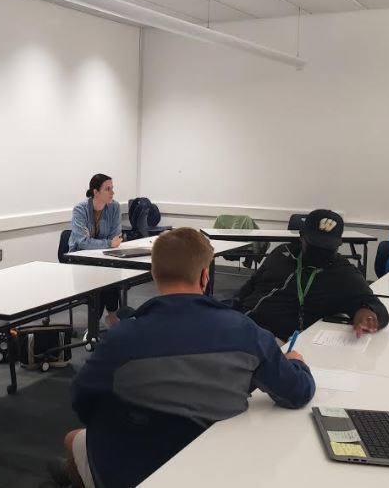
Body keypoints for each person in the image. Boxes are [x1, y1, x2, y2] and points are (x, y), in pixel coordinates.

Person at [48, 228, 315, 488]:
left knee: (74, 438)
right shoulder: (246, 332)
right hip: (215, 469)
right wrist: (296, 362)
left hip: (133, 468)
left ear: (154, 274)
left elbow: (82, 401)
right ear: (204, 276)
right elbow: (297, 393)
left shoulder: (122, 337)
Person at [236, 209, 389, 342]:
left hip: (273, 339)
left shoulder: (343, 272)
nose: (321, 251)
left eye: (328, 247)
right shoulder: (282, 253)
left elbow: (377, 308)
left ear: (339, 244)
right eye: (315, 245)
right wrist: (231, 308)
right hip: (241, 323)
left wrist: (366, 312)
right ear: (301, 237)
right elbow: (250, 286)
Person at [68, 174, 123, 326]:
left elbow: (116, 237)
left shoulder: (114, 207)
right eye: (108, 189)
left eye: (112, 188)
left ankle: (102, 321)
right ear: (96, 192)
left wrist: (94, 241)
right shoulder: (80, 209)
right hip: (79, 257)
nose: (112, 192)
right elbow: (82, 242)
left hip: (104, 256)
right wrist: (108, 243)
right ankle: (103, 321)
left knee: (109, 272)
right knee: (101, 276)